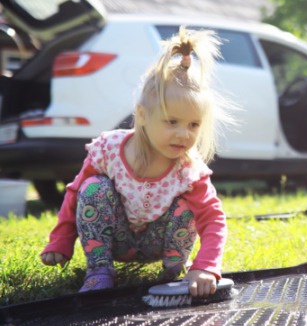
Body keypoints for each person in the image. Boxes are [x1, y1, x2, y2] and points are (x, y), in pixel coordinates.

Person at [40, 27, 230, 296]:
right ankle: (100, 270)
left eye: (193, 124)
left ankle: (173, 273)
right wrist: (60, 240)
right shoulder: (109, 150)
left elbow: (212, 219)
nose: (183, 134)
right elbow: (75, 192)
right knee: (93, 187)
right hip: (114, 239)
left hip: (159, 245)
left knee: (189, 206)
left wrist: (206, 266)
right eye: (172, 121)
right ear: (142, 114)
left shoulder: (188, 169)